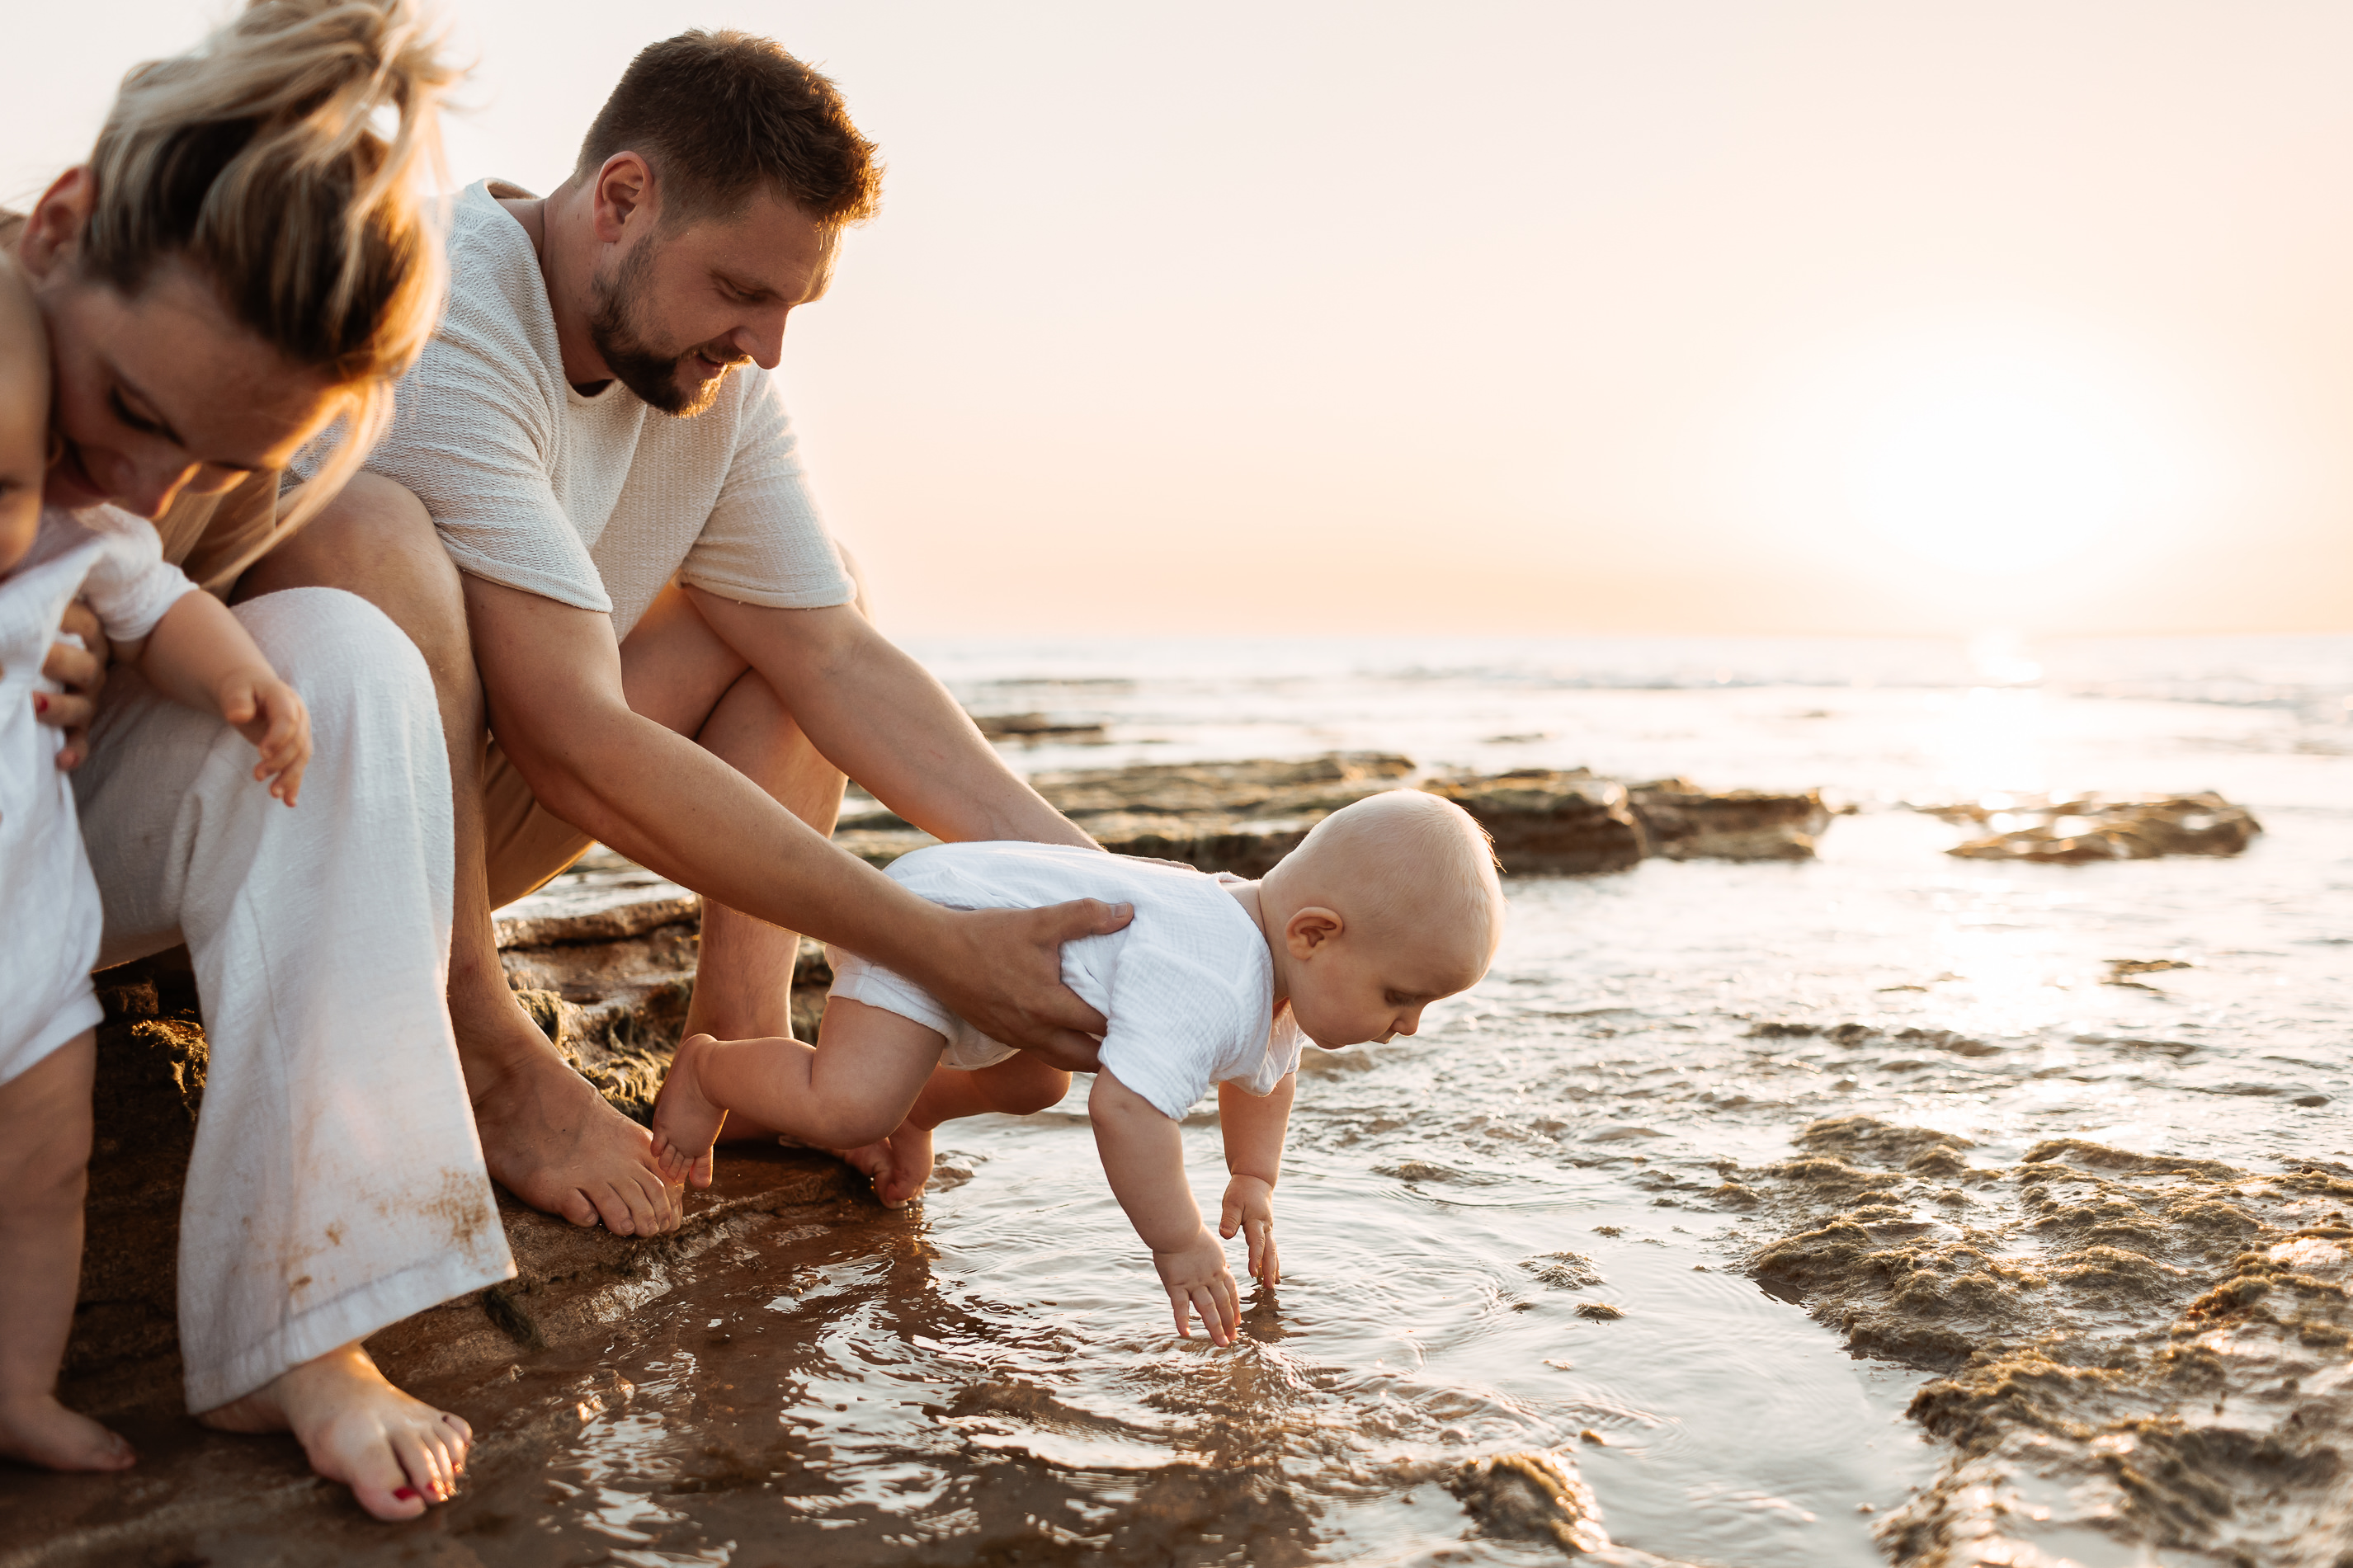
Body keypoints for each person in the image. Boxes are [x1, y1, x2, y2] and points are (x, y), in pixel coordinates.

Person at [265, 28, 1134, 1237]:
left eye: (792, 303)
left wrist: (1128, 905)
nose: (767, 345)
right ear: (622, 199)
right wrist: (941, 948)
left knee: (804, 603)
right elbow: (573, 739)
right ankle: (475, 1039)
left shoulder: (711, 387)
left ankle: (747, 1048)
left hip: (460, 803)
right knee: (379, 547)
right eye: (742, 292)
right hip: (289, 820)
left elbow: (835, 663)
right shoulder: (449, 308)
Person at [11, 0, 507, 1519]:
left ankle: (300, 1325)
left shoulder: (185, 474)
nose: (152, 492)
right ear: (61, 226)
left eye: (218, 464)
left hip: (40, 837)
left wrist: (124, 636)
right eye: (134, 414)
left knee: (343, 670)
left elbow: (174, 621)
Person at [650, 791, 1507, 1345]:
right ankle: (712, 1069)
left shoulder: (1276, 967)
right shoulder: (1210, 973)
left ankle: (919, 1109)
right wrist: (1177, 1240)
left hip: (1005, 960)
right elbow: (1128, 1114)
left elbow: (1266, 1068)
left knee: (1034, 1081)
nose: (1408, 1027)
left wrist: (1253, 1173)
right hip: (935, 920)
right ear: (1314, 934)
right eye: (1402, 995)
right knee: (843, 1105)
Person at [0, 259, 312, 1471]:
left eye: (6, 486)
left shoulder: (75, 545)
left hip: (29, 979)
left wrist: (247, 683)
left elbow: (167, 609)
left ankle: (18, 1383)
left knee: (47, 1176)